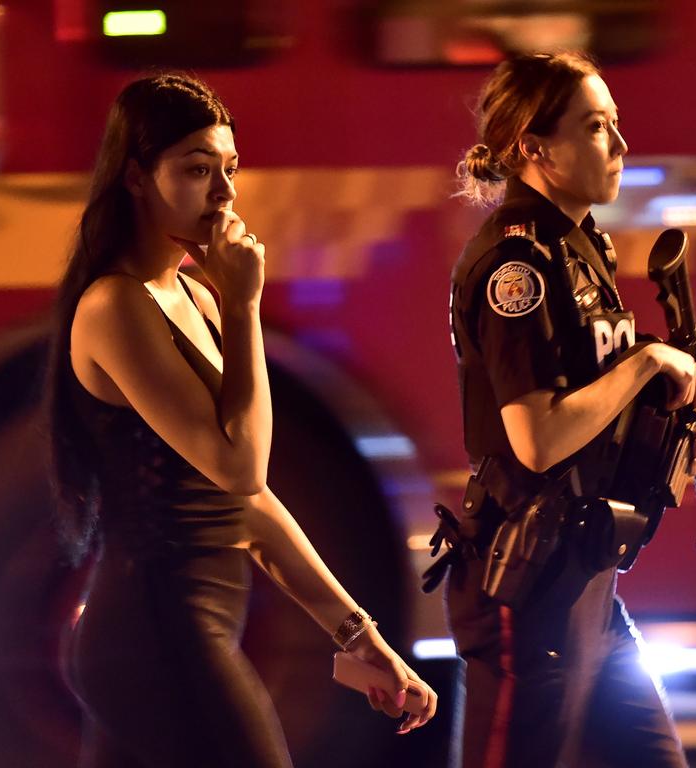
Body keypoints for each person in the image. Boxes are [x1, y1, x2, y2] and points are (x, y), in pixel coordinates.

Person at [45, 73, 436, 768]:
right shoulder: (115, 306)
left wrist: (359, 634)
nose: (224, 194)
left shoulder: (192, 294)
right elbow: (240, 464)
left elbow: (251, 503)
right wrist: (245, 305)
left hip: (187, 627)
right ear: (136, 177)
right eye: (196, 170)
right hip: (154, 628)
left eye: (229, 168)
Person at [434, 53, 696, 768]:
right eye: (596, 128)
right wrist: (647, 362)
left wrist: (674, 435)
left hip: (588, 578)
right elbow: (538, 438)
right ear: (535, 149)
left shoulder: (580, 242)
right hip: (528, 591)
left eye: (616, 125)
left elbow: (592, 408)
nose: (620, 147)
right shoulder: (518, 267)